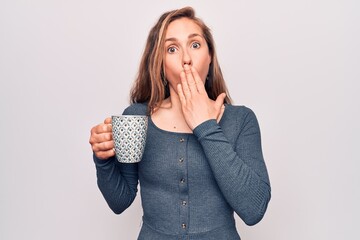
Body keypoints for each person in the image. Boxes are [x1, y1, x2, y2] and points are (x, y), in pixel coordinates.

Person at [89, 6, 271, 240]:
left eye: (195, 45)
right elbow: (120, 201)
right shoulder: (136, 117)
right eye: (172, 49)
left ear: (210, 56)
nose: (186, 59)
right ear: (160, 64)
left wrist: (205, 126)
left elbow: (254, 210)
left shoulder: (241, 120)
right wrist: (103, 159)